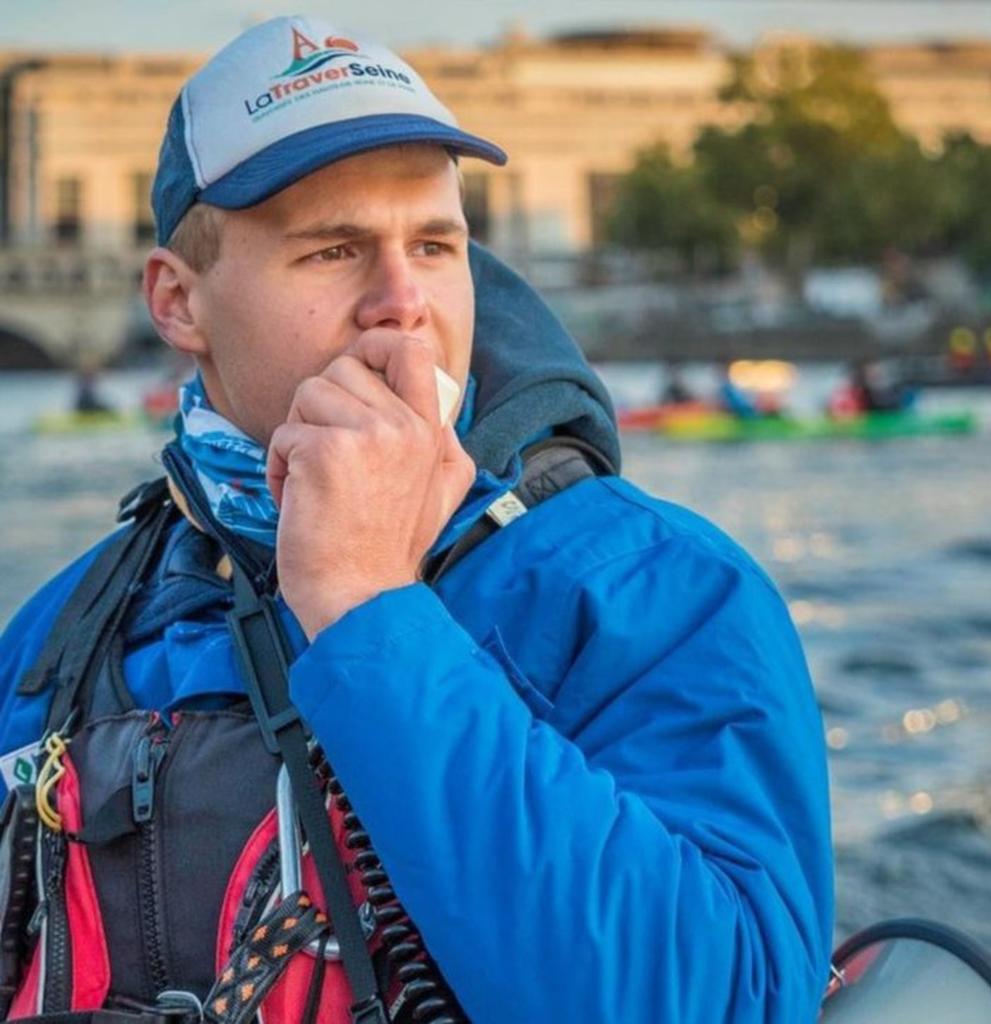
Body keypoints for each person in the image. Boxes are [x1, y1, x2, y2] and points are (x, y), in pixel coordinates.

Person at [0, 16, 832, 1024]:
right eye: (332, 250)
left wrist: (367, 606)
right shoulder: (58, 636)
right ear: (178, 304)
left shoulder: (664, 589)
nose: (401, 302)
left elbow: (722, 1004)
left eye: (434, 245)